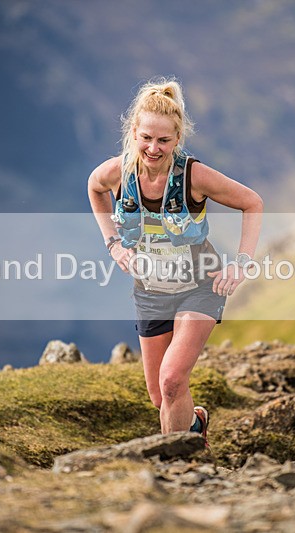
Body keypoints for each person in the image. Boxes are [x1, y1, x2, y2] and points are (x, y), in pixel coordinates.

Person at [87, 78, 263, 444]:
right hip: (151, 291)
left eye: (164, 141)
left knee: (171, 379)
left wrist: (241, 263)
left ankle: (179, 467)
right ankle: (194, 424)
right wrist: (114, 245)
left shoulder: (194, 176)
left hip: (201, 284)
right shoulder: (118, 173)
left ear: (177, 139)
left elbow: (252, 202)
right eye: (146, 138)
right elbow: (94, 187)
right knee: (160, 395)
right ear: (134, 132)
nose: (154, 148)